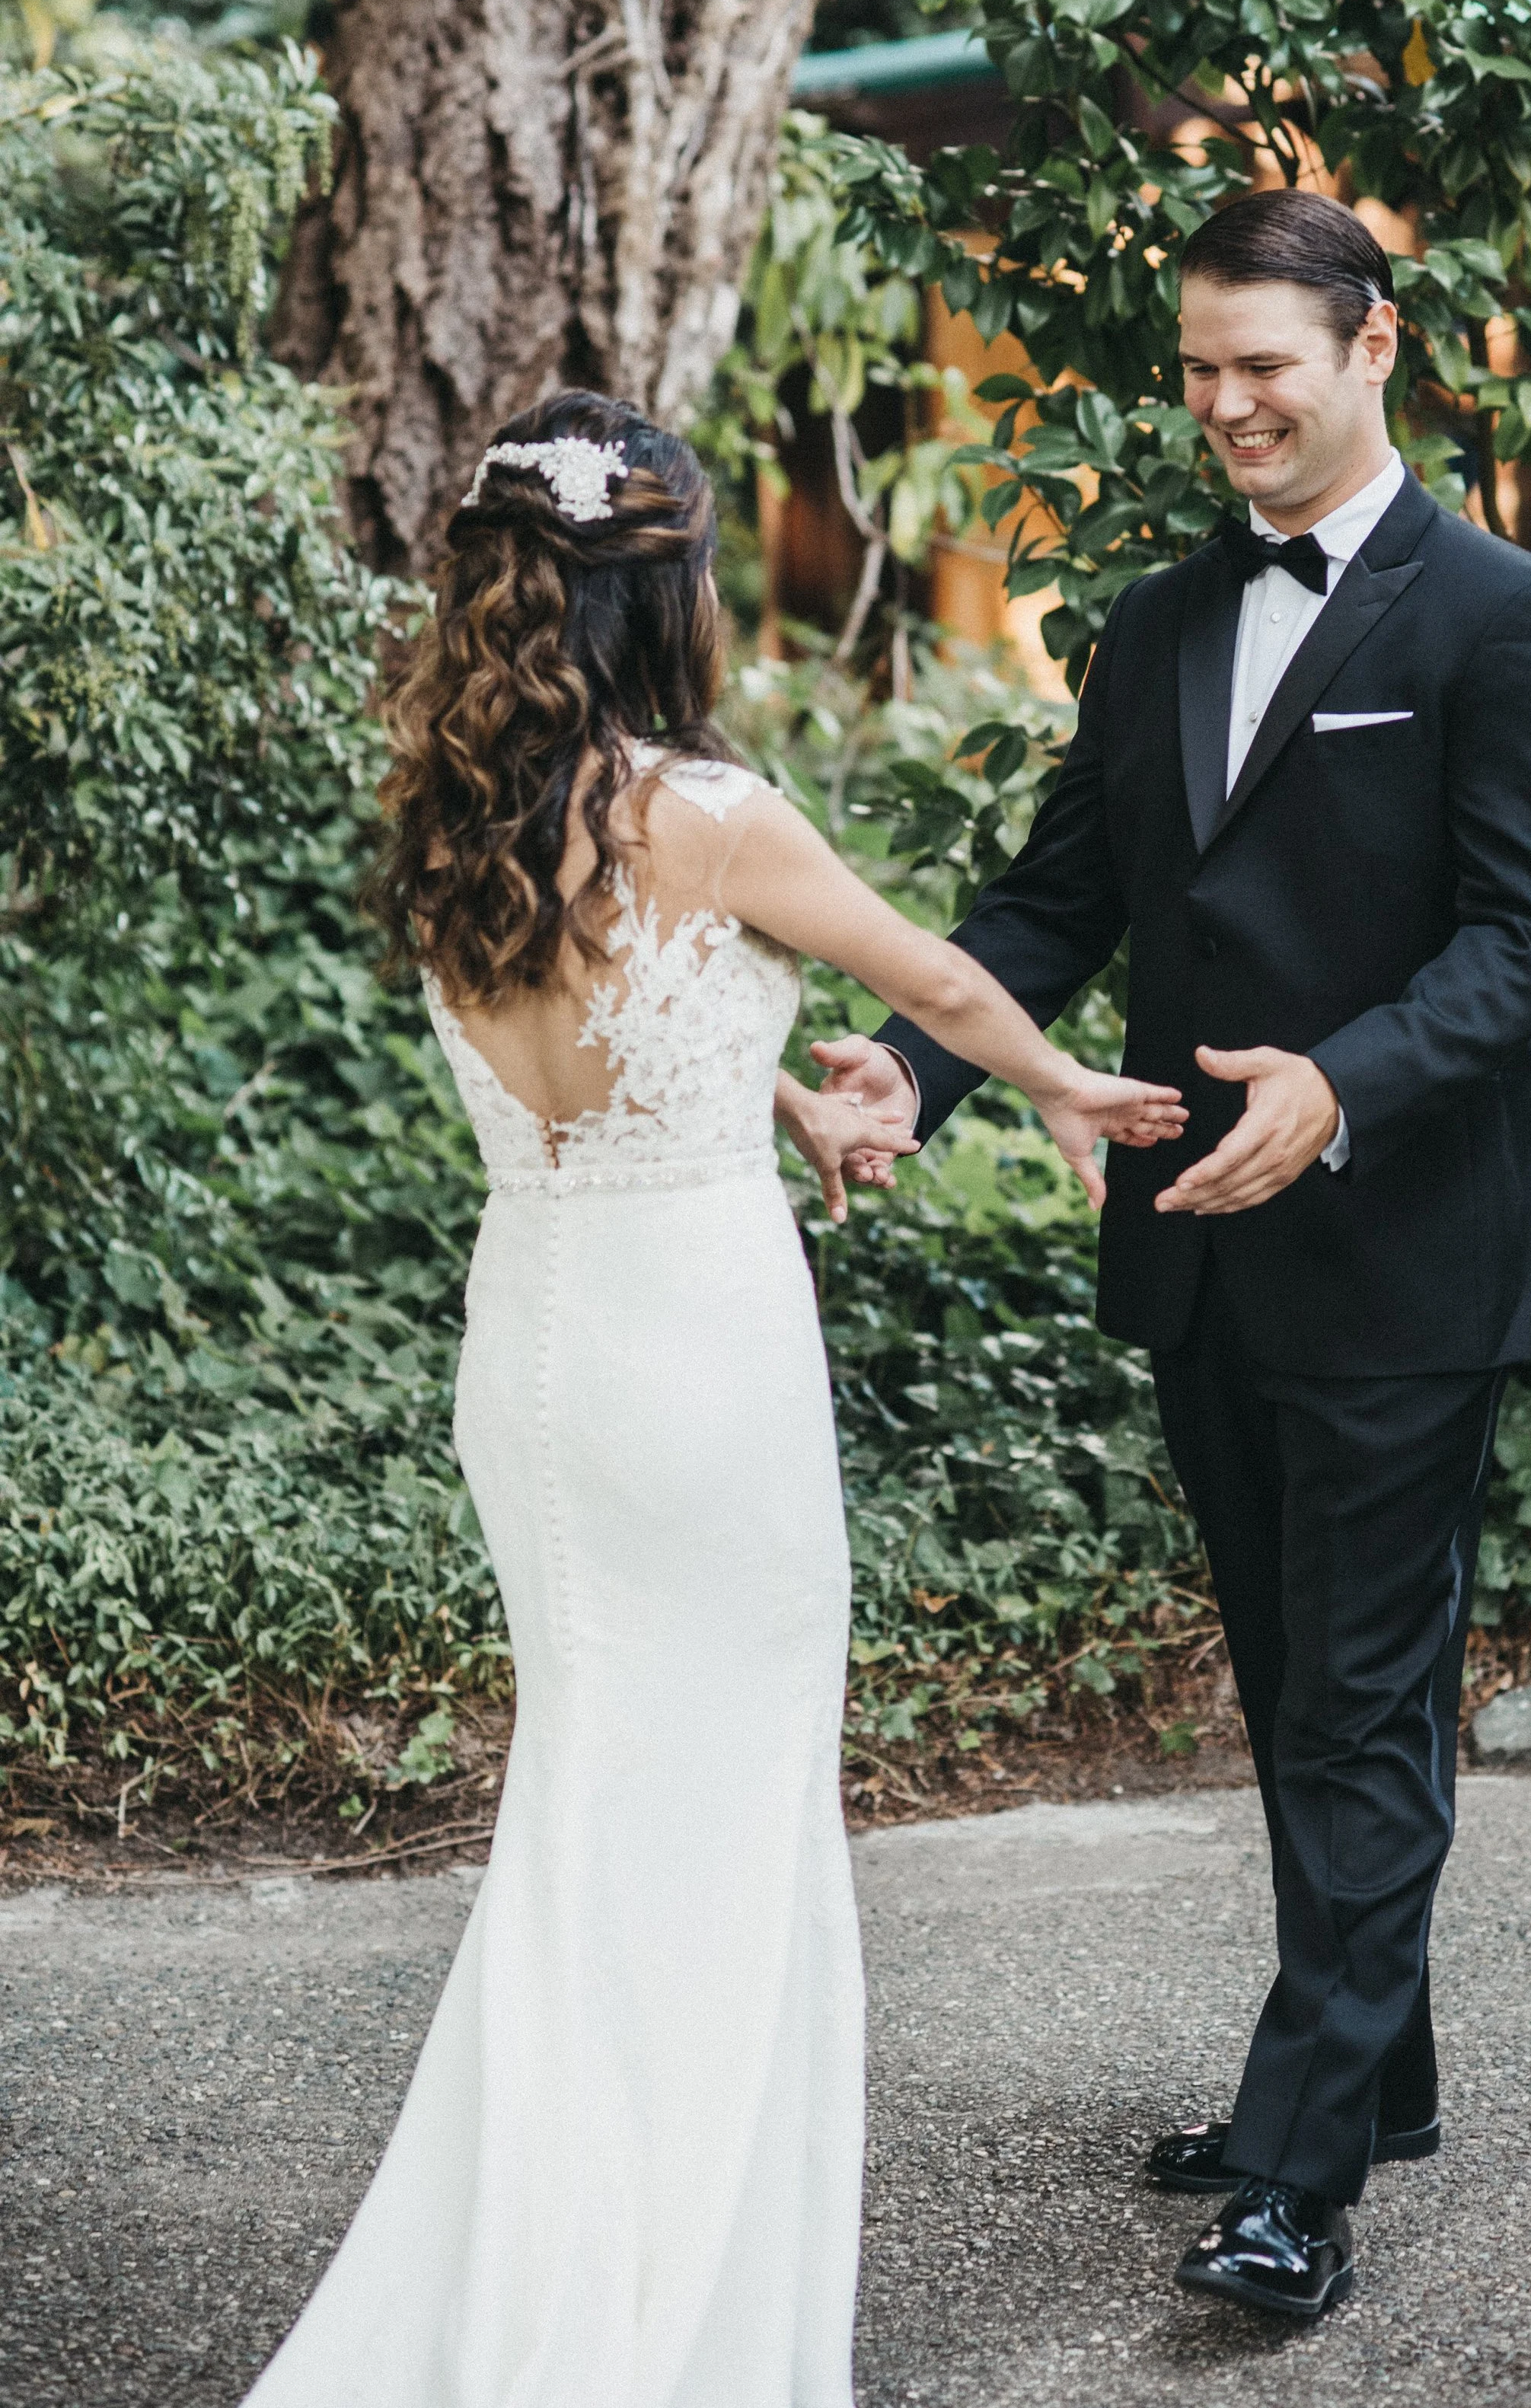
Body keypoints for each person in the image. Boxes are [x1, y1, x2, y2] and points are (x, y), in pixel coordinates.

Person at [241, 391, 1183, 2408]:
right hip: (698, 1352)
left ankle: (546, 2263)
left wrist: (757, 1083)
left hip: (540, 1346)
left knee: (590, 1804)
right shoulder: (709, 813)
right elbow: (930, 982)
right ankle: (675, 2324)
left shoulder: (457, 801)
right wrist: (1067, 1090)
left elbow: (584, 1043)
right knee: (724, 1813)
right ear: (663, 583)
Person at [819, 189, 1531, 2323]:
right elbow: (1048, 904)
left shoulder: (1501, 618)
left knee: (1354, 1707)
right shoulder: (1155, 622)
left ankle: (1302, 2178)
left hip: (1401, 1257)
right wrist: (911, 1070)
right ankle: (1379, 2067)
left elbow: (1520, 947)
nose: (1226, 405)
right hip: (1191, 1255)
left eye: (1264, 363)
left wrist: (1335, 1085)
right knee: (1289, 1689)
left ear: (1372, 351)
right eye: (1198, 370)